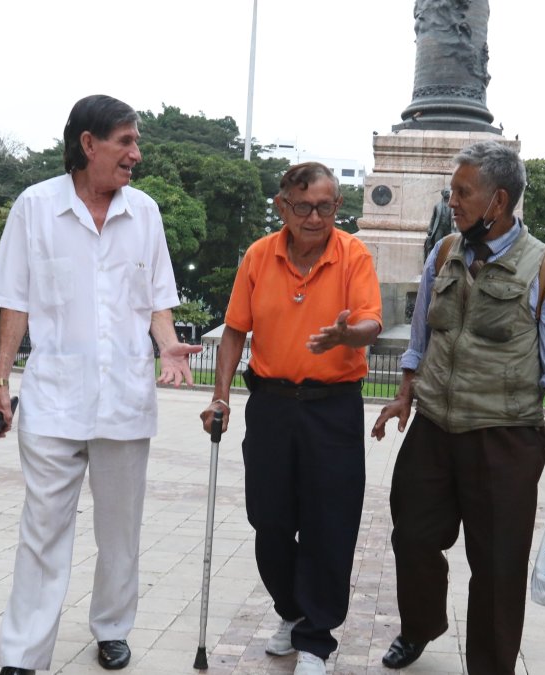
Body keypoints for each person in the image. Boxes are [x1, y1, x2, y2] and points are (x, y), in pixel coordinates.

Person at [0, 94, 202, 675]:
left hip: (126, 400)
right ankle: (23, 655)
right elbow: (13, 303)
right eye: (125, 141)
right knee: (43, 530)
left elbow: (156, 300)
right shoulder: (35, 208)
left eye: (135, 142)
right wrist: (0, 383)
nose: (136, 153)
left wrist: (168, 343)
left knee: (119, 531)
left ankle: (111, 627)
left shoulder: (145, 213)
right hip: (54, 399)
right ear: (88, 144)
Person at [371, 141, 545, 675]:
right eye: (452, 190)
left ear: (499, 200)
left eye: (464, 192)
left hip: (505, 436)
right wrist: (403, 394)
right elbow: (420, 336)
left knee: (497, 564)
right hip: (435, 428)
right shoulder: (444, 253)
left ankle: (489, 667)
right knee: (413, 536)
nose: (453, 200)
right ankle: (420, 626)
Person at [199, 162, 382, 675]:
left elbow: (370, 320)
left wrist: (349, 336)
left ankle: (317, 637)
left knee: (330, 521)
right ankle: (294, 608)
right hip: (273, 405)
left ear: (337, 208)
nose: (315, 217)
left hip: (333, 407)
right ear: (282, 206)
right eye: (303, 207)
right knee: (269, 518)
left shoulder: (353, 254)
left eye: (325, 207)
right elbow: (235, 330)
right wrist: (221, 398)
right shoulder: (260, 256)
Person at [423, 187, 453, 261]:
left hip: (448, 229)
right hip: (439, 228)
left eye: (448, 192)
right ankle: (435, 261)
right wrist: (430, 228)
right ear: (442, 194)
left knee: (448, 246)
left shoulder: (453, 206)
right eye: (446, 192)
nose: (448, 193)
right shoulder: (437, 206)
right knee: (437, 245)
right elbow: (433, 218)